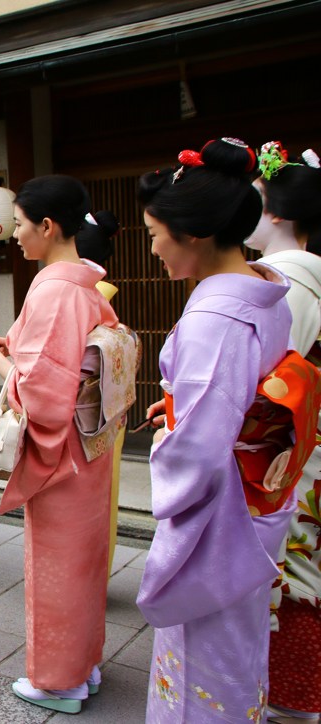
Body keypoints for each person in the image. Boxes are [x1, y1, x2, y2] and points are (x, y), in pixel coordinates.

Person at [134, 138, 299, 722]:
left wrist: (170, 441)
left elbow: (200, 453)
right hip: (260, 501)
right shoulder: (265, 289)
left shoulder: (213, 315)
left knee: (200, 658)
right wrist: (180, 407)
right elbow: (235, 395)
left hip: (221, 515)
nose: (152, 248)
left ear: (196, 234)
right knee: (240, 645)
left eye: (155, 234)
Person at [0, 175, 123, 714]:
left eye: (18, 224)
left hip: (64, 455)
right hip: (91, 446)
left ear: (47, 226)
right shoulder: (82, 284)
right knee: (84, 562)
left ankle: (59, 680)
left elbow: (44, 390)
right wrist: (15, 345)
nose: (15, 234)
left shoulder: (56, 288)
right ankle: (84, 664)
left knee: (57, 564)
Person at [250, 141, 321, 724]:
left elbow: (273, 381)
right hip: (304, 445)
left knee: (294, 568)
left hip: (291, 451)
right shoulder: (302, 271)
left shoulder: (291, 279)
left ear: (277, 213)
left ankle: (294, 701)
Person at [75, 210, 126, 572]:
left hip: (85, 412)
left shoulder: (83, 295)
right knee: (103, 494)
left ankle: (86, 572)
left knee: (85, 499)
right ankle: (97, 568)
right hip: (107, 408)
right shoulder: (98, 293)